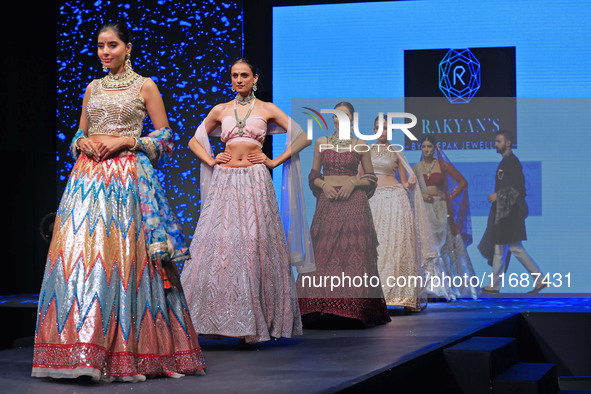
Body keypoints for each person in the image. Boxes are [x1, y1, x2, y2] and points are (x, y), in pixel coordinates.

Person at [32, 22, 205, 381]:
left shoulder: (146, 86)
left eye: (112, 45)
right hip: (86, 179)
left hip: (126, 180)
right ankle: (76, 348)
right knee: (78, 256)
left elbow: (166, 137)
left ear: (128, 47)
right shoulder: (91, 88)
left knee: (122, 259)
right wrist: (81, 143)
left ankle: (126, 352)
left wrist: (127, 142)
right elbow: (80, 130)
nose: (105, 52)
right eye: (100, 46)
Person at [180, 58, 313, 344]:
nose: (238, 80)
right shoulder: (221, 109)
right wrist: (212, 160)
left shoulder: (266, 109)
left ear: (255, 78)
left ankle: (253, 326)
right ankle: (211, 321)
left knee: (254, 246)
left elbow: (303, 135)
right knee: (219, 246)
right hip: (225, 180)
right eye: (234, 76)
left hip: (255, 180)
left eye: (244, 75)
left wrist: (274, 161)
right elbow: (194, 140)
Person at [296, 102, 391, 328]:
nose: (341, 119)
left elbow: (371, 178)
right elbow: (312, 175)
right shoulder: (322, 143)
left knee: (353, 254)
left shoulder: (361, 145)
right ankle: (316, 309)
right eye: (338, 115)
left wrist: (353, 183)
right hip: (327, 202)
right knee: (321, 253)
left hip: (354, 203)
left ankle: (352, 309)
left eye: (346, 115)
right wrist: (322, 185)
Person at [368, 118, 441, 311]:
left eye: (386, 128)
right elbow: (362, 178)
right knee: (376, 248)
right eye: (378, 128)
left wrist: (410, 183)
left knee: (396, 247)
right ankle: (375, 296)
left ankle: (404, 296)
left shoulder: (396, 151)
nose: (382, 131)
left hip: (394, 200)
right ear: (373, 130)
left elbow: (404, 180)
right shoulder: (365, 151)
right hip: (373, 200)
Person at [478, 130, 546, 294]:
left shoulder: (512, 163)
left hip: (510, 214)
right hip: (504, 212)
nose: (496, 144)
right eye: (495, 141)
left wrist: (498, 196)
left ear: (508, 143)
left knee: (510, 248)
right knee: (504, 249)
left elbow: (518, 189)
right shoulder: (505, 162)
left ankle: (538, 279)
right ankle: (497, 285)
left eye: (499, 141)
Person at [413, 135, 479, 299]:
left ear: (435, 147)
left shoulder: (443, 165)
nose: (427, 150)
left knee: (443, 247)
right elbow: (410, 189)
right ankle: (431, 288)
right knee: (427, 247)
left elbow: (463, 182)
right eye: (424, 147)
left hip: (441, 209)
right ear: (421, 148)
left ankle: (449, 288)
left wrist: (450, 196)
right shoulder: (416, 168)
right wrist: (421, 194)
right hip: (424, 210)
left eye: (429, 146)